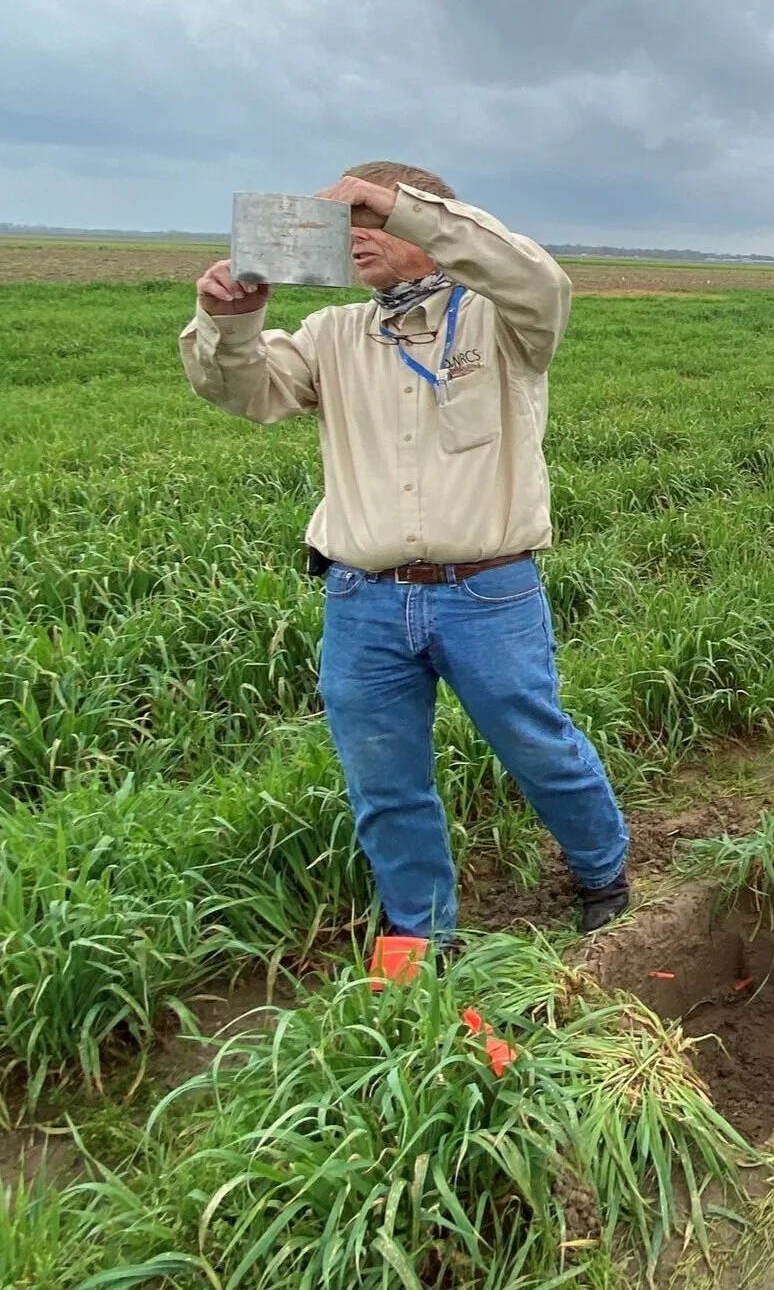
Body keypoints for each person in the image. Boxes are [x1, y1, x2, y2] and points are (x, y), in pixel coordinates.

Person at [181, 163, 633, 949]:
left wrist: (397, 204)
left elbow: (540, 279)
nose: (356, 237)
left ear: (424, 224)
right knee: (384, 779)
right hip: (363, 602)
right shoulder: (332, 334)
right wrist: (230, 321)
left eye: (370, 222)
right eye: (348, 225)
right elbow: (244, 389)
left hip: (487, 592)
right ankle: (423, 934)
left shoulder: (501, 319)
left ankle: (604, 873)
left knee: (537, 746)